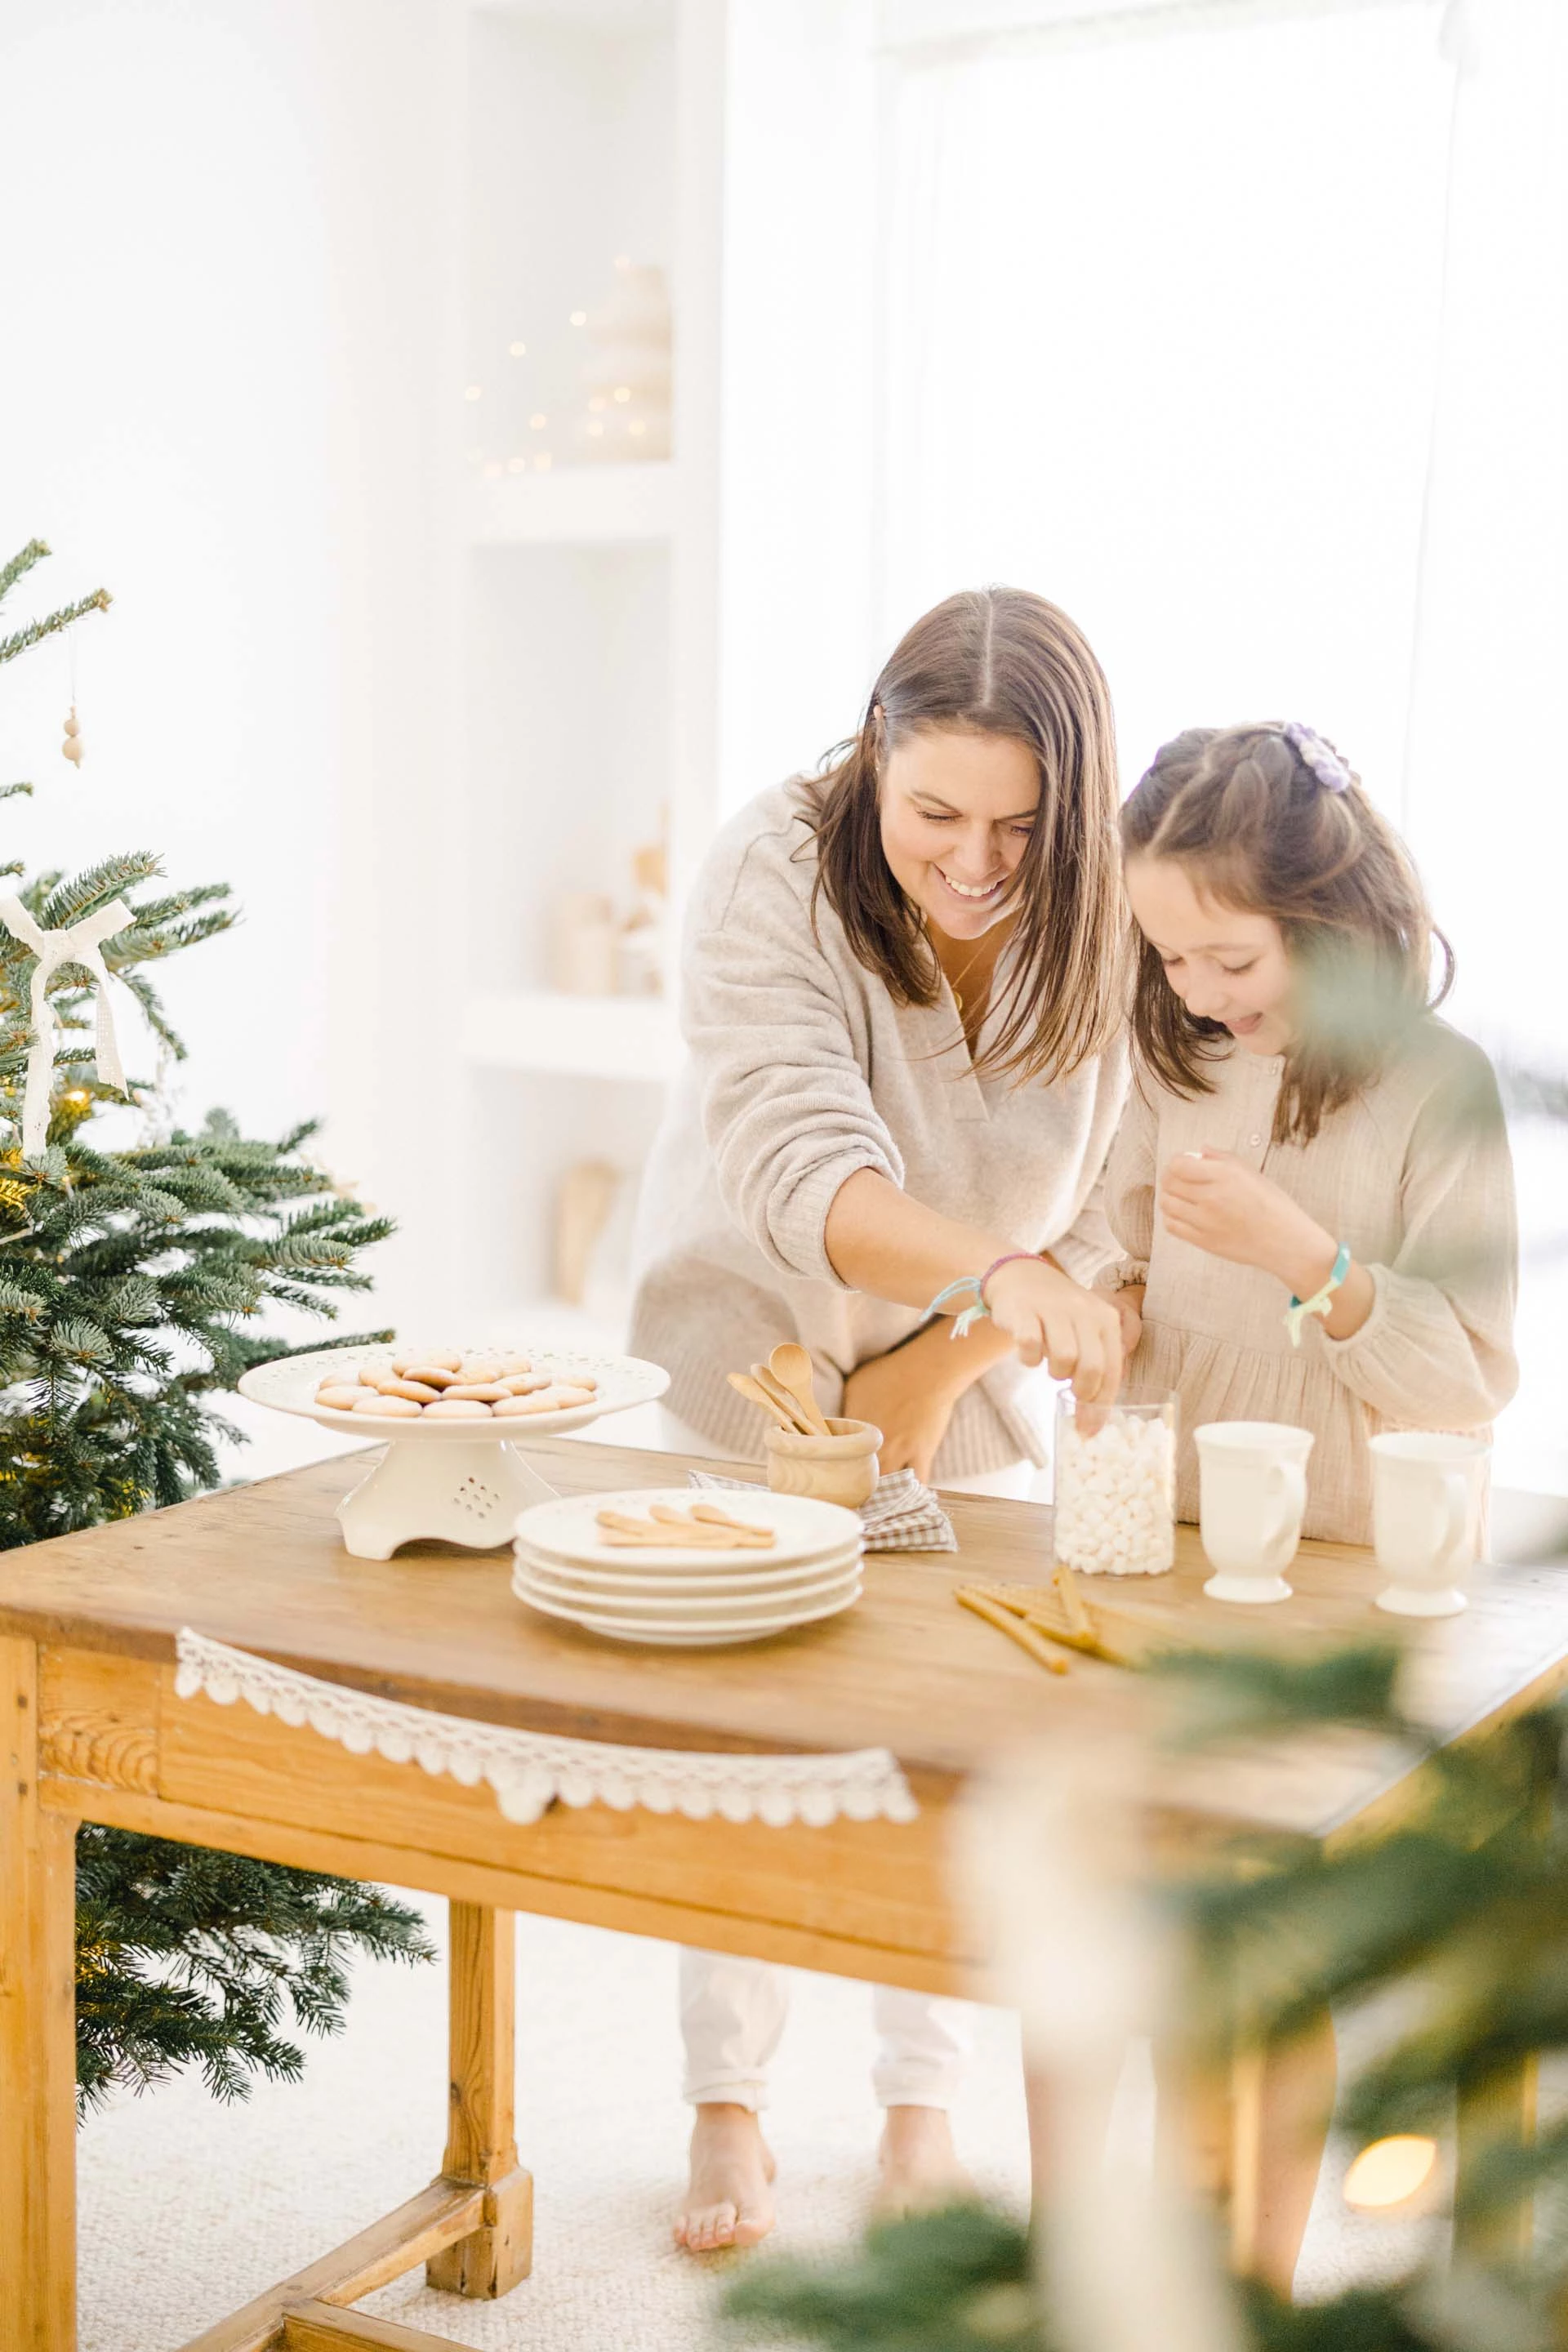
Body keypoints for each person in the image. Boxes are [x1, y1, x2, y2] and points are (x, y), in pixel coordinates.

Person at [630, 586, 1131, 2251]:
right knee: (748, 1748)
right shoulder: (769, 866)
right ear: (873, 755)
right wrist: (994, 1282)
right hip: (750, 1352)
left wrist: (941, 1361)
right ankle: (728, 2107)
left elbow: (1117, 1197)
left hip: (967, 1376)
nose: (980, 861)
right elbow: (791, 1158)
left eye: (1022, 826)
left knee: (958, 1751)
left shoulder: (1105, 901)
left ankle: (921, 2103)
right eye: (936, 815)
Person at [1103, 718, 1518, 2291]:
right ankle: (1150, 2271)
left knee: (1263, 1958)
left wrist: (1310, 1262)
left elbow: (1468, 1380)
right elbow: (1106, 1241)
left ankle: (1249, 2288)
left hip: (1353, 1577)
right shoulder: (1179, 1058)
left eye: (1228, 956)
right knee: (1153, 1939)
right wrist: (1097, 1300)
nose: (1200, 994)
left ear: (1328, 908)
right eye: (1170, 958)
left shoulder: (1439, 1089)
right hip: (1181, 1547)